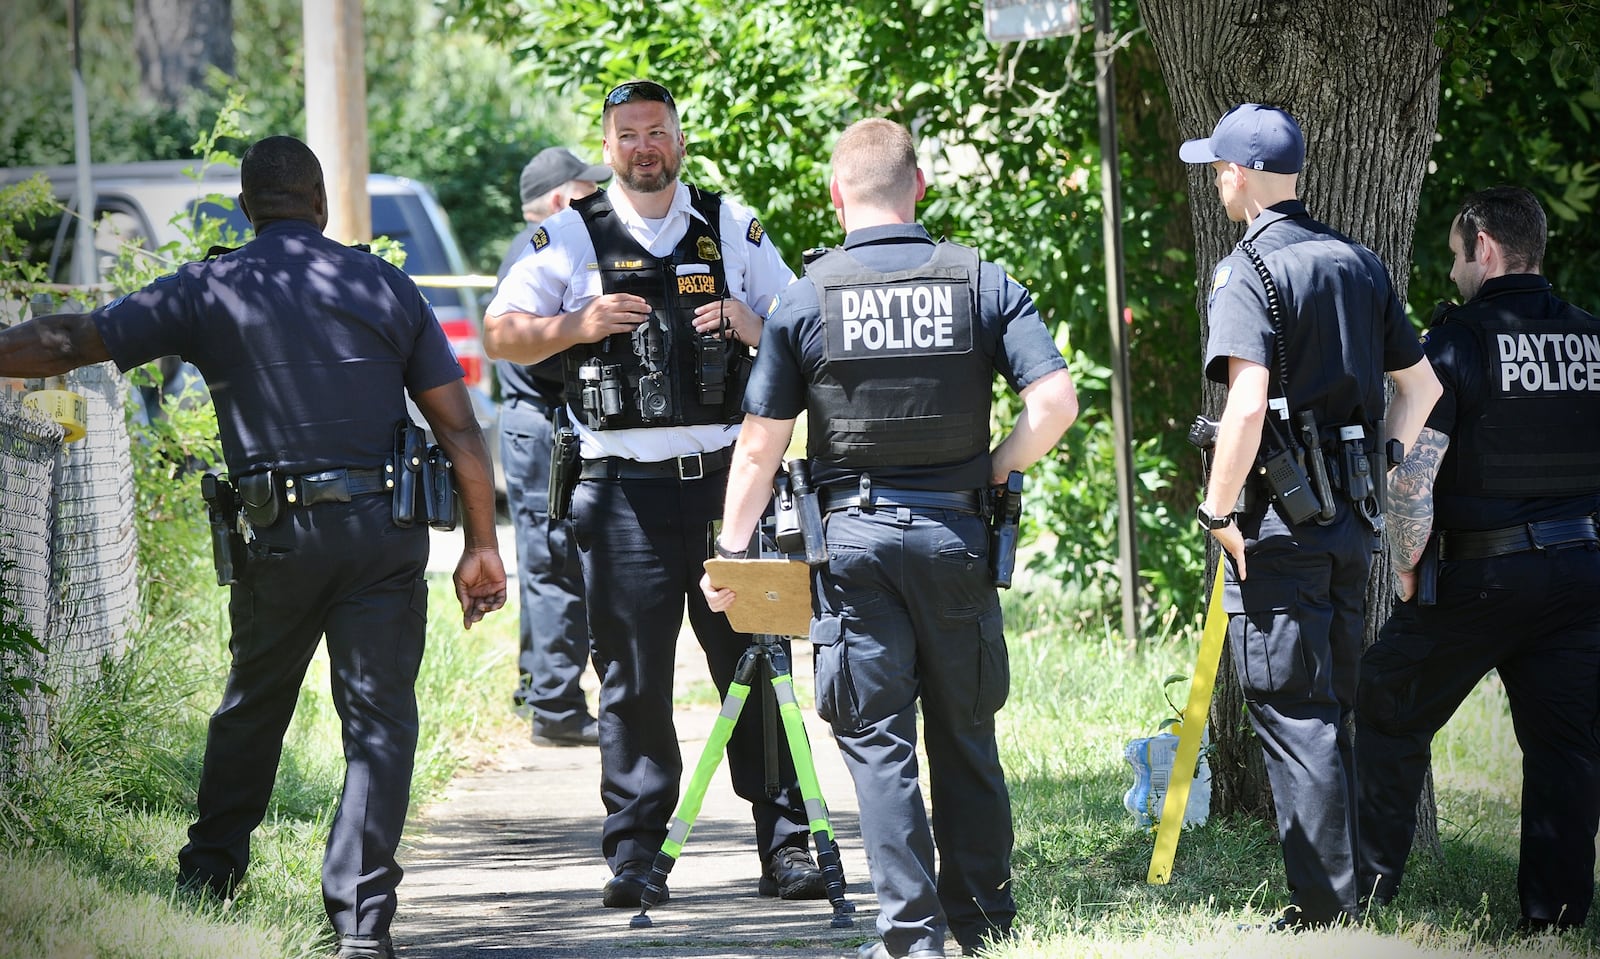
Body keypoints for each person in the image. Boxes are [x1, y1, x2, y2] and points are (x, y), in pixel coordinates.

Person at [0, 135, 507, 959]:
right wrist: (482, 546)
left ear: (245, 207)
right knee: (379, 725)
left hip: (279, 536)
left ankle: (210, 875)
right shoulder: (384, 282)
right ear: (323, 206)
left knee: (253, 705)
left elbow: (69, 342)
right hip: (385, 535)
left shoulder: (211, 285)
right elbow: (459, 426)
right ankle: (361, 926)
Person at [701, 118, 1079, 959]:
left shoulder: (807, 295)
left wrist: (730, 551)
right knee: (965, 729)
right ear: (921, 188)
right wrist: (992, 467)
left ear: (837, 195)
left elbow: (761, 442)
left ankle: (911, 937)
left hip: (853, 545)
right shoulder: (979, 280)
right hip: (955, 534)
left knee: (878, 743)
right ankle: (983, 923)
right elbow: (1055, 405)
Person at [482, 79, 826, 907]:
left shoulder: (728, 223)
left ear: (678, 140)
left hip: (723, 486)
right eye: (629, 134)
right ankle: (636, 854)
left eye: (658, 132)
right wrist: (578, 324)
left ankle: (787, 847)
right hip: (620, 492)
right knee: (632, 680)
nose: (644, 146)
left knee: (758, 662)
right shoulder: (567, 235)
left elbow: (798, 317)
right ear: (608, 148)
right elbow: (500, 333)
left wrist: (748, 321)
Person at [1180, 103, 1441, 929]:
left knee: (1296, 712)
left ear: (1246, 177)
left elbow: (1247, 406)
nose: (1217, 180)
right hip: (1349, 524)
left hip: (1279, 530)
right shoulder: (1359, 262)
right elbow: (1422, 388)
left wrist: (1217, 510)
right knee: (1330, 707)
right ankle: (1360, 886)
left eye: (1220, 168)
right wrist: (1387, 468)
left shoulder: (1246, 273)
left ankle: (1327, 912)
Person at [1356, 187, 1600, 930]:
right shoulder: (1593, 339)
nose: (1456, 269)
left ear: (1485, 246)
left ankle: (1361, 892)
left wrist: (1405, 560)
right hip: (1582, 576)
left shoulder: (1457, 343)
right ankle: (1555, 916)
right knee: (1566, 749)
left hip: (1483, 575)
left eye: (1459, 254)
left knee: (1386, 704)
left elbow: (1414, 473)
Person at [494, 146, 611, 746]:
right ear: (564, 198)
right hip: (543, 425)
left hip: (534, 423)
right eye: (591, 189)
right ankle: (559, 709)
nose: (601, 199)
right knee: (555, 562)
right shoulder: (550, 250)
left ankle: (536, 685)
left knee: (545, 556)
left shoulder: (532, 251)